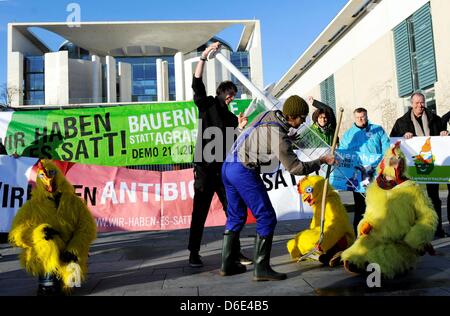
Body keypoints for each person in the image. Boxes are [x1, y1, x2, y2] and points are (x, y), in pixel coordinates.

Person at [220, 95, 336, 281]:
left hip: (227, 165)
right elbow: (295, 168)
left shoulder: (269, 115)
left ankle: (227, 264)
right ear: (293, 116)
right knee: (266, 217)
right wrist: (321, 161)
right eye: (302, 117)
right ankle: (261, 269)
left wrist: (288, 137)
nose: (304, 121)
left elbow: (267, 134)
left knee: (236, 216)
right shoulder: (279, 137)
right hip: (242, 170)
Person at [187, 42, 251, 268]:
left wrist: (241, 127)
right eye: (228, 93)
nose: (231, 98)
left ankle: (235, 252)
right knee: (200, 214)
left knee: (234, 212)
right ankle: (193, 253)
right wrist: (204, 56)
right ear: (220, 92)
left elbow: (235, 145)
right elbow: (196, 83)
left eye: (233, 95)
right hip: (204, 170)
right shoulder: (208, 104)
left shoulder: (233, 119)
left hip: (224, 172)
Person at [8, 159, 97, 295]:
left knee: (71, 282)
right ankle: (47, 283)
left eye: (51, 173)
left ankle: (65, 280)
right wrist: (39, 234)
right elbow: (17, 234)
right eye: (43, 176)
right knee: (47, 241)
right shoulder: (32, 206)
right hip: (44, 254)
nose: (48, 179)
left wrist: (74, 249)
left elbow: (86, 229)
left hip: (69, 255)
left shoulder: (74, 203)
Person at [390, 92, 449, 238]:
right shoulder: (401, 122)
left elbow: (443, 134)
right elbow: (393, 140)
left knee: (434, 198)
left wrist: (444, 133)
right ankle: (410, 232)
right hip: (411, 168)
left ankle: (437, 229)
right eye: (416, 103)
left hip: (432, 165)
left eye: (422, 102)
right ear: (411, 104)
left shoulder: (435, 119)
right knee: (411, 200)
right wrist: (403, 136)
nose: (420, 106)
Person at [339, 108, 390, 234]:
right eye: (358, 117)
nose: (361, 119)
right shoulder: (349, 134)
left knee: (378, 204)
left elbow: (387, 149)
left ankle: (380, 232)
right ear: (354, 118)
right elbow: (343, 152)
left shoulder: (377, 130)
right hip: (359, 176)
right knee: (360, 206)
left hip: (376, 174)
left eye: (363, 117)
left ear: (367, 116)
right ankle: (359, 234)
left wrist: (383, 166)